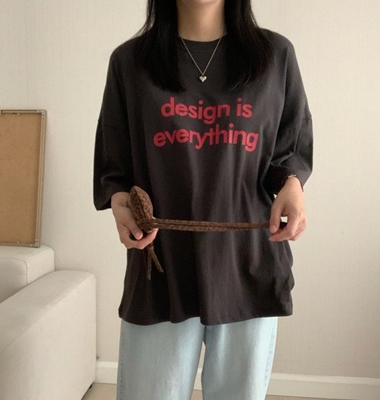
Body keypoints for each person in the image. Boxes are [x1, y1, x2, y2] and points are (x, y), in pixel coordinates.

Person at [94, 0, 313, 399]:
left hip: (247, 261)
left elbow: (290, 148)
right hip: (161, 265)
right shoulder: (130, 62)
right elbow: (115, 162)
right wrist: (120, 202)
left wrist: (293, 185)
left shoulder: (274, 56)